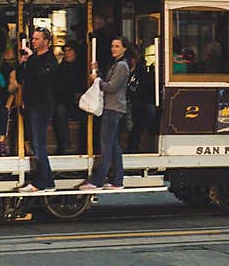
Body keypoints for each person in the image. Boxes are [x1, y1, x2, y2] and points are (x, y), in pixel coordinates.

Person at [79, 37, 130, 191]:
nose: (113, 49)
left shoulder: (121, 66)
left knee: (106, 145)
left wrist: (97, 81)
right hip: (113, 108)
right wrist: (98, 72)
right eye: (112, 46)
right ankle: (117, 180)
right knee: (113, 145)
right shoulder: (118, 65)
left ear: (124, 49)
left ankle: (98, 180)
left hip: (113, 108)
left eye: (117, 46)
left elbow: (112, 86)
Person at [16, 27, 58, 192]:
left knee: (39, 144)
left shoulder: (50, 59)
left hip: (42, 106)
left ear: (46, 41)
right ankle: (48, 181)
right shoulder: (32, 59)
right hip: (31, 105)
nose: (33, 41)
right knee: (35, 143)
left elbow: (44, 77)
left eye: (36, 39)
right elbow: (21, 78)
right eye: (32, 39)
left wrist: (32, 58)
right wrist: (22, 63)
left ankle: (41, 182)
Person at [53, 40, 86, 154]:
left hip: (80, 102)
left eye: (69, 50)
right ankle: (65, 144)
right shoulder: (62, 67)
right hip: (65, 102)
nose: (67, 53)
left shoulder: (82, 68)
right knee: (60, 111)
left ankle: (84, 147)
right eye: (65, 51)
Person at [126, 47, 156, 153]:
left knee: (146, 111)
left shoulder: (143, 72)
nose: (131, 60)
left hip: (138, 104)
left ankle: (133, 146)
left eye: (133, 58)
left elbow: (143, 92)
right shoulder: (123, 70)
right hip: (126, 103)